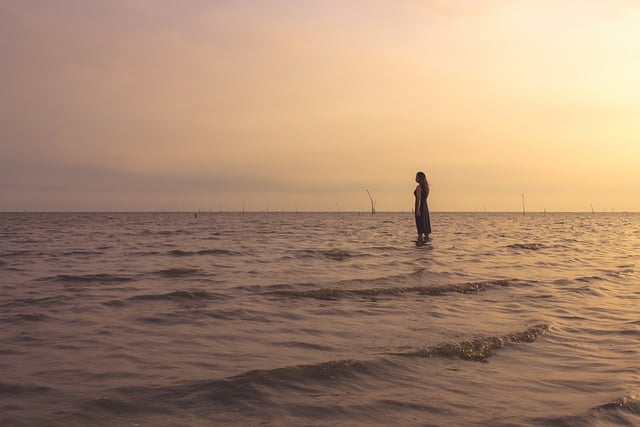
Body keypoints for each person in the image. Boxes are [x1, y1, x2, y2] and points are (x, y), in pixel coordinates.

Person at [414, 171, 431, 243]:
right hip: (425, 208)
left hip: (420, 208)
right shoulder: (426, 187)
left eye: (416, 177)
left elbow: (419, 199)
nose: (415, 178)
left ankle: (420, 245)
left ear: (419, 178)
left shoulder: (419, 187)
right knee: (426, 229)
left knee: (420, 229)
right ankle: (426, 244)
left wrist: (417, 209)